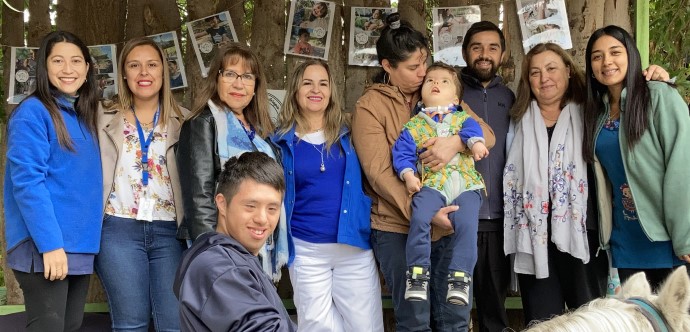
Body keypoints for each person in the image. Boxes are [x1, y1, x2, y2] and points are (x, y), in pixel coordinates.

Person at [352, 12, 495, 331]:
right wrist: (425, 213)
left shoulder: (436, 92)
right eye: (413, 67)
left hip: (448, 219)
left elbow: (485, 133)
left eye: (425, 62)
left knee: (454, 316)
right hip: (398, 226)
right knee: (414, 318)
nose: (423, 72)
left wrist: (456, 142)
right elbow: (379, 174)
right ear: (388, 67)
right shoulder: (370, 107)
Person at [271, 60, 384, 331]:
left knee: (365, 326)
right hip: (307, 249)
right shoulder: (279, 142)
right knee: (317, 326)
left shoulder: (350, 133)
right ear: (296, 90)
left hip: (353, 248)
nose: (316, 89)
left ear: (331, 91)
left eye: (323, 83)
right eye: (307, 83)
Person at [503, 43, 609, 325]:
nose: (543, 78)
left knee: (590, 322)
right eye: (535, 73)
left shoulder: (592, 112)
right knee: (542, 323)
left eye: (551, 69)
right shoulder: (517, 120)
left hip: (582, 233)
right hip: (533, 237)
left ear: (568, 71)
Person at [4, 30, 102, 332]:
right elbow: (28, 183)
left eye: (76, 61)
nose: (68, 69)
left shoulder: (84, 115)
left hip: (79, 245)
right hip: (45, 244)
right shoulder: (33, 113)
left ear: (87, 69)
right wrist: (50, 245)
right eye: (57, 60)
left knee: (69, 325)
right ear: (44, 68)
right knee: (48, 326)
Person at [583, 25, 690, 290]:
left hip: (669, 241)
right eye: (597, 56)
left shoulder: (659, 96)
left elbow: (682, 167)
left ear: (631, 55)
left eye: (615, 52)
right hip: (627, 241)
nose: (606, 62)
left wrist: (686, 237)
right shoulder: (598, 112)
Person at [95, 37, 189, 332]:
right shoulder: (101, 116)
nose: (143, 73)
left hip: (170, 233)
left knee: (175, 324)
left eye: (152, 65)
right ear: (123, 73)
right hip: (118, 230)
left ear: (165, 71)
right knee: (130, 323)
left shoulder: (185, 121)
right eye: (134, 65)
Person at [177, 43, 286, 281]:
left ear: (256, 85)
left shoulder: (261, 133)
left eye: (247, 76)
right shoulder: (202, 123)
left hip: (257, 243)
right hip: (221, 247)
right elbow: (199, 198)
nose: (239, 84)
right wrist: (213, 255)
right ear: (216, 79)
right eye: (230, 74)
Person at [392, 62, 488, 306]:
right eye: (430, 80)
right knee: (420, 215)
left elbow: (474, 132)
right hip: (433, 184)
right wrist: (408, 175)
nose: (436, 83)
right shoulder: (413, 126)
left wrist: (476, 144)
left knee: (467, 223)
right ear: (421, 94)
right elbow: (402, 153)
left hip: (466, 184)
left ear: (455, 96)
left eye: (444, 81)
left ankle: (460, 278)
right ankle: (417, 274)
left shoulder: (463, 118)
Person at [174, 152, 296, 332]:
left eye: (272, 208)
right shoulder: (222, 268)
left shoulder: (230, 257)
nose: (262, 219)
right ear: (222, 204)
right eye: (250, 206)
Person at [458, 21, 515, 332]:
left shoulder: (511, 98)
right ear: (466, 52)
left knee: (494, 311)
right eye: (477, 47)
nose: (484, 54)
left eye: (492, 47)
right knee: (452, 309)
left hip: (498, 223)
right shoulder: (450, 95)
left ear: (502, 54)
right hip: (457, 220)